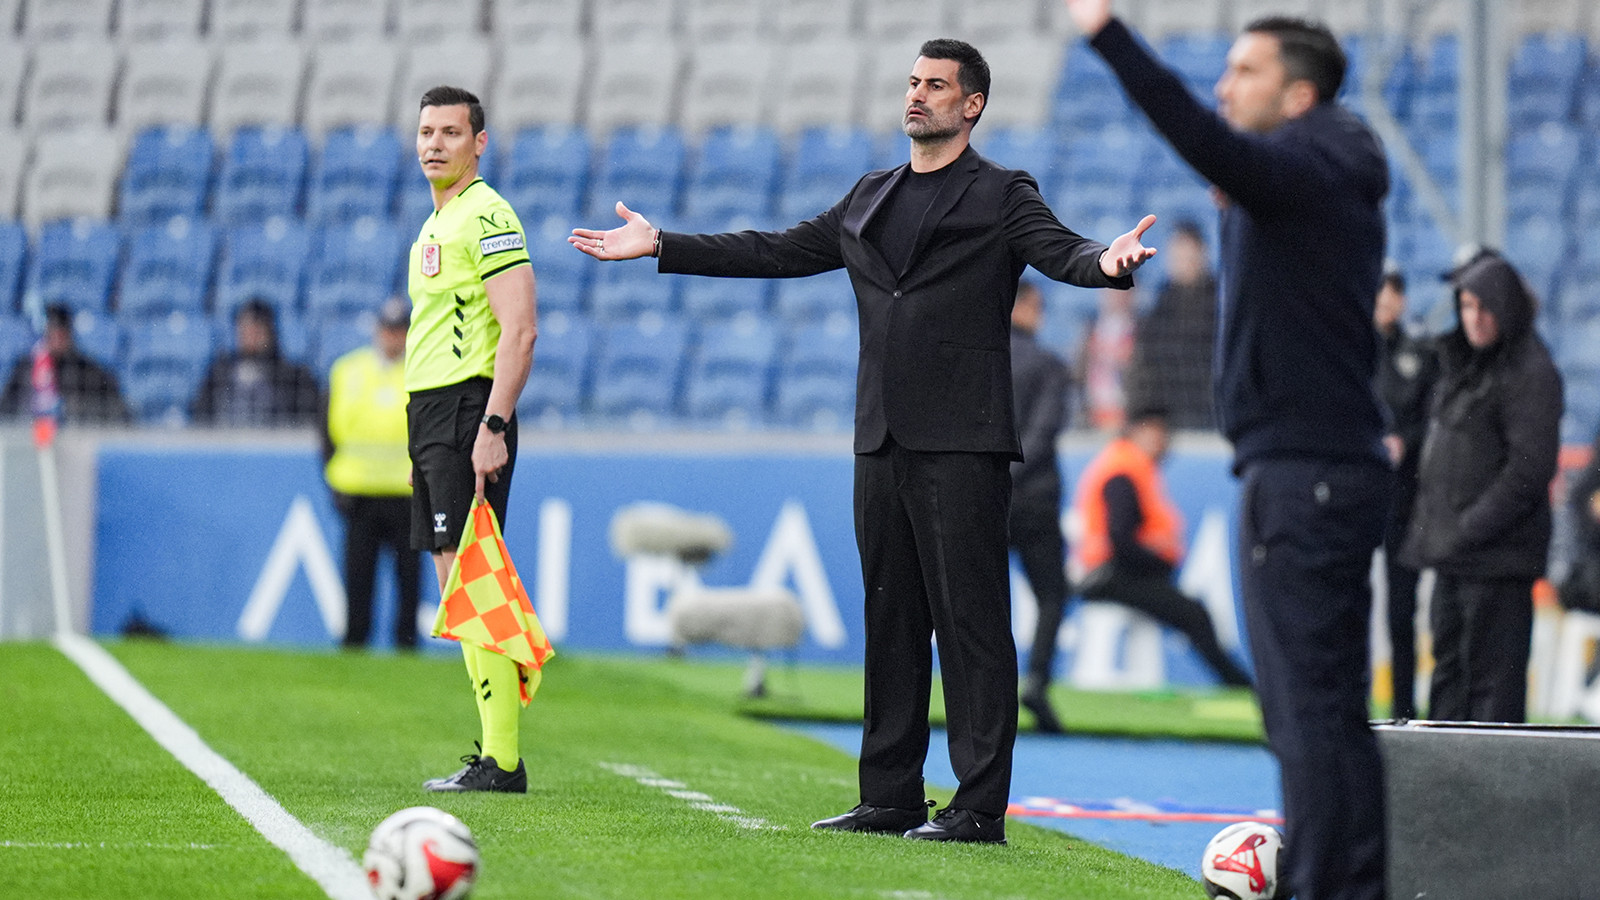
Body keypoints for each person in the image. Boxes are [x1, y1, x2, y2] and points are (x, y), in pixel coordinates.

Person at [571, 38, 1156, 844]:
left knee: (971, 627)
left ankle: (979, 807)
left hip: (963, 442)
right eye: (913, 82)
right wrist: (666, 244)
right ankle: (889, 796)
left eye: (936, 86)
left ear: (971, 105)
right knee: (890, 620)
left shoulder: (1002, 192)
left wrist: (1111, 263)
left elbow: (1066, 253)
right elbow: (773, 251)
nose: (917, 95)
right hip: (879, 437)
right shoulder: (869, 195)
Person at [1065, 2, 1394, 896]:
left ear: (1297, 93)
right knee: (1310, 712)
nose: (1222, 86)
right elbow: (1236, 169)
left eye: (1242, 71)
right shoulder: (1307, 170)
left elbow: (1213, 145)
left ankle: (1339, 886)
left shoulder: (1317, 159)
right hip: (1303, 467)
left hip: (1308, 472)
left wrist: (1107, 34)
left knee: (1310, 713)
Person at [406, 86, 538, 792]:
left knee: (472, 579)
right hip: (432, 416)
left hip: (466, 411)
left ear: (478, 142)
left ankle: (504, 761)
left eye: (450, 132)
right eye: (426, 131)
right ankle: (495, 752)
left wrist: (492, 423)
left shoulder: (487, 215)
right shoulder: (437, 222)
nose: (434, 144)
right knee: (454, 583)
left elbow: (519, 329)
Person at [1401, 250, 1561, 724]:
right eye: (1466, 306)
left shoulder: (1532, 373)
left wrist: (1468, 527)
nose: (1473, 318)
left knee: (1494, 687)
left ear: (1506, 307)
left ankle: (1495, 797)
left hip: (1497, 561)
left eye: (1483, 307)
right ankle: (1446, 789)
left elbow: (1529, 472)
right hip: (1453, 556)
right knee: (1449, 677)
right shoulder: (1465, 366)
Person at [1071, 406, 1253, 687]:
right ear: (1138, 430)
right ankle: (1237, 682)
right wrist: (1159, 563)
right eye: (1158, 433)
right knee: (1194, 614)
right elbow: (1121, 539)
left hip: (1117, 571)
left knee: (1190, 611)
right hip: (1110, 574)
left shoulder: (1130, 467)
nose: (1164, 442)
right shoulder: (1123, 471)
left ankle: (1235, 680)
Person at [321, 297, 421, 651]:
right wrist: (334, 481)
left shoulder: (421, 370)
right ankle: (354, 643)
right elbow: (327, 432)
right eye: (389, 329)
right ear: (378, 330)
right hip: (359, 492)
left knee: (409, 579)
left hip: (406, 491)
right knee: (358, 577)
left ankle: (406, 646)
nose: (394, 337)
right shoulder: (347, 370)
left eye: (400, 330)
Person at [1372, 267, 1437, 720]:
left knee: (1401, 611)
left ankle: (1403, 706)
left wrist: (1404, 442)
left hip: (1404, 499)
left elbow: (1433, 418)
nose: (1387, 301)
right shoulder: (1348, 347)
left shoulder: (1421, 354)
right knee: (1347, 602)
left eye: (1395, 292)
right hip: (1358, 495)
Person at [1008, 280, 1073, 734]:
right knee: (1052, 595)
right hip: (1034, 499)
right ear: (1027, 307)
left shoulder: (978, 359)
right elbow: (1043, 432)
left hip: (984, 500)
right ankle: (1035, 681)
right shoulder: (1049, 365)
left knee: (977, 600)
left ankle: (974, 695)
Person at [1125, 220, 1217, 431]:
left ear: (1202, 253)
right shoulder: (1159, 309)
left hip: (1211, 418)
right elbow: (1145, 368)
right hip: (1168, 422)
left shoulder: (1221, 304)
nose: (1181, 261)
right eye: (1176, 255)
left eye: (1187, 254)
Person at [190, 298, 319, 427]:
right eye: (246, 328)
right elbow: (200, 415)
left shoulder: (294, 376)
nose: (251, 335)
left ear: (270, 331)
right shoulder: (220, 372)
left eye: (258, 328)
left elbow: (308, 419)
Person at [0, 304, 130, 424]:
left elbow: (117, 411)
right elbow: (6, 408)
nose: (57, 341)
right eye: (52, 335)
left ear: (69, 335)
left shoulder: (88, 370)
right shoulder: (25, 367)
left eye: (62, 335)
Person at [1076, 286, 1136, 430]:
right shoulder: (1091, 328)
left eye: (1121, 290)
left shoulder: (1142, 329)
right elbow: (1078, 370)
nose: (1117, 295)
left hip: (1127, 413)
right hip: (1093, 411)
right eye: (1112, 290)